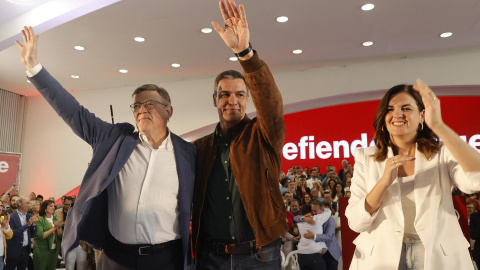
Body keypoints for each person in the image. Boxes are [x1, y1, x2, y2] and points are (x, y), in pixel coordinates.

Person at [16, 26, 196, 270]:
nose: (142, 109)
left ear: (169, 111)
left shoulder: (189, 154)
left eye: (150, 103)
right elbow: (73, 112)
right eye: (137, 105)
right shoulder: (115, 139)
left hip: (167, 259)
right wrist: (34, 68)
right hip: (116, 258)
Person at [191, 1, 287, 268]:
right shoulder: (199, 148)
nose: (232, 100)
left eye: (240, 94)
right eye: (224, 94)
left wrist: (245, 53)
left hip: (261, 255)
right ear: (214, 99)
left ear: (248, 100)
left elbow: (271, 104)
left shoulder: (264, 135)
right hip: (212, 258)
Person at [345, 81, 480, 269]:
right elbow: (356, 222)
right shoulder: (365, 157)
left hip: (438, 254)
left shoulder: (442, 153)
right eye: (390, 109)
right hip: (381, 255)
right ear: (384, 117)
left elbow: (475, 180)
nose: (397, 114)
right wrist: (383, 182)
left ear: (422, 116)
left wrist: (439, 126)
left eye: (406, 108)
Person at [294, 201, 342, 270]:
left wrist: (314, 236)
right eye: (312, 210)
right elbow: (296, 218)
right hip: (316, 253)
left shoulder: (329, 219)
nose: (313, 212)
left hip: (330, 252)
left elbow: (329, 237)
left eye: (315, 210)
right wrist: (303, 218)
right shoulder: (308, 219)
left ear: (322, 210)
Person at [6, 196, 38, 270]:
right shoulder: (11, 217)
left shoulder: (29, 216)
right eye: (27, 203)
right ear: (20, 203)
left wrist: (34, 224)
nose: (29, 205)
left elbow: (33, 233)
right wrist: (27, 225)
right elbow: (13, 234)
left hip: (26, 250)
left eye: (29, 203)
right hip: (14, 250)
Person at [33, 200, 63, 270]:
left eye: (54, 206)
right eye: (51, 206)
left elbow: (60, 235)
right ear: (45, 208)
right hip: (42, 250)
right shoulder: (40, 219)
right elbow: (41, 235)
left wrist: (58, 228)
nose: (53, 208)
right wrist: (54, 228)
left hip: (54, 250)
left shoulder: (56, 219)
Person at [1, 204, 13, 270]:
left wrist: (6, 225)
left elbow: (10, 235)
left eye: (1, 206)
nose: (0, 208)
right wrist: (2, 228)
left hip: (2, 254)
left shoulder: (2, 218)